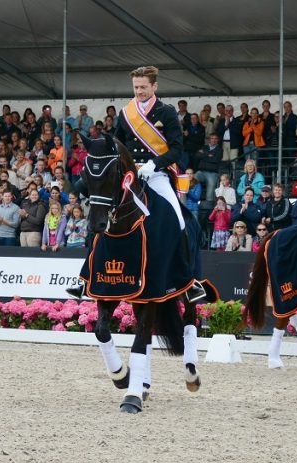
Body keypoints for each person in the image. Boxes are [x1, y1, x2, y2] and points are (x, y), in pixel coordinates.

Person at [69, 65, 205, 301]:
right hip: (129, 175)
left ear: (154, 86)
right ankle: (85, 279)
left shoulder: (167, 112)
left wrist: (155, 164)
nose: (139, 91)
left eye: (143, 87)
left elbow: (177, 149)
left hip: (157, 173)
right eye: (136, 87)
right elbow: (117, 144)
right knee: (101, 214)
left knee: (179, 219)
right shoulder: (126, 113)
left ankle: (188, 281)